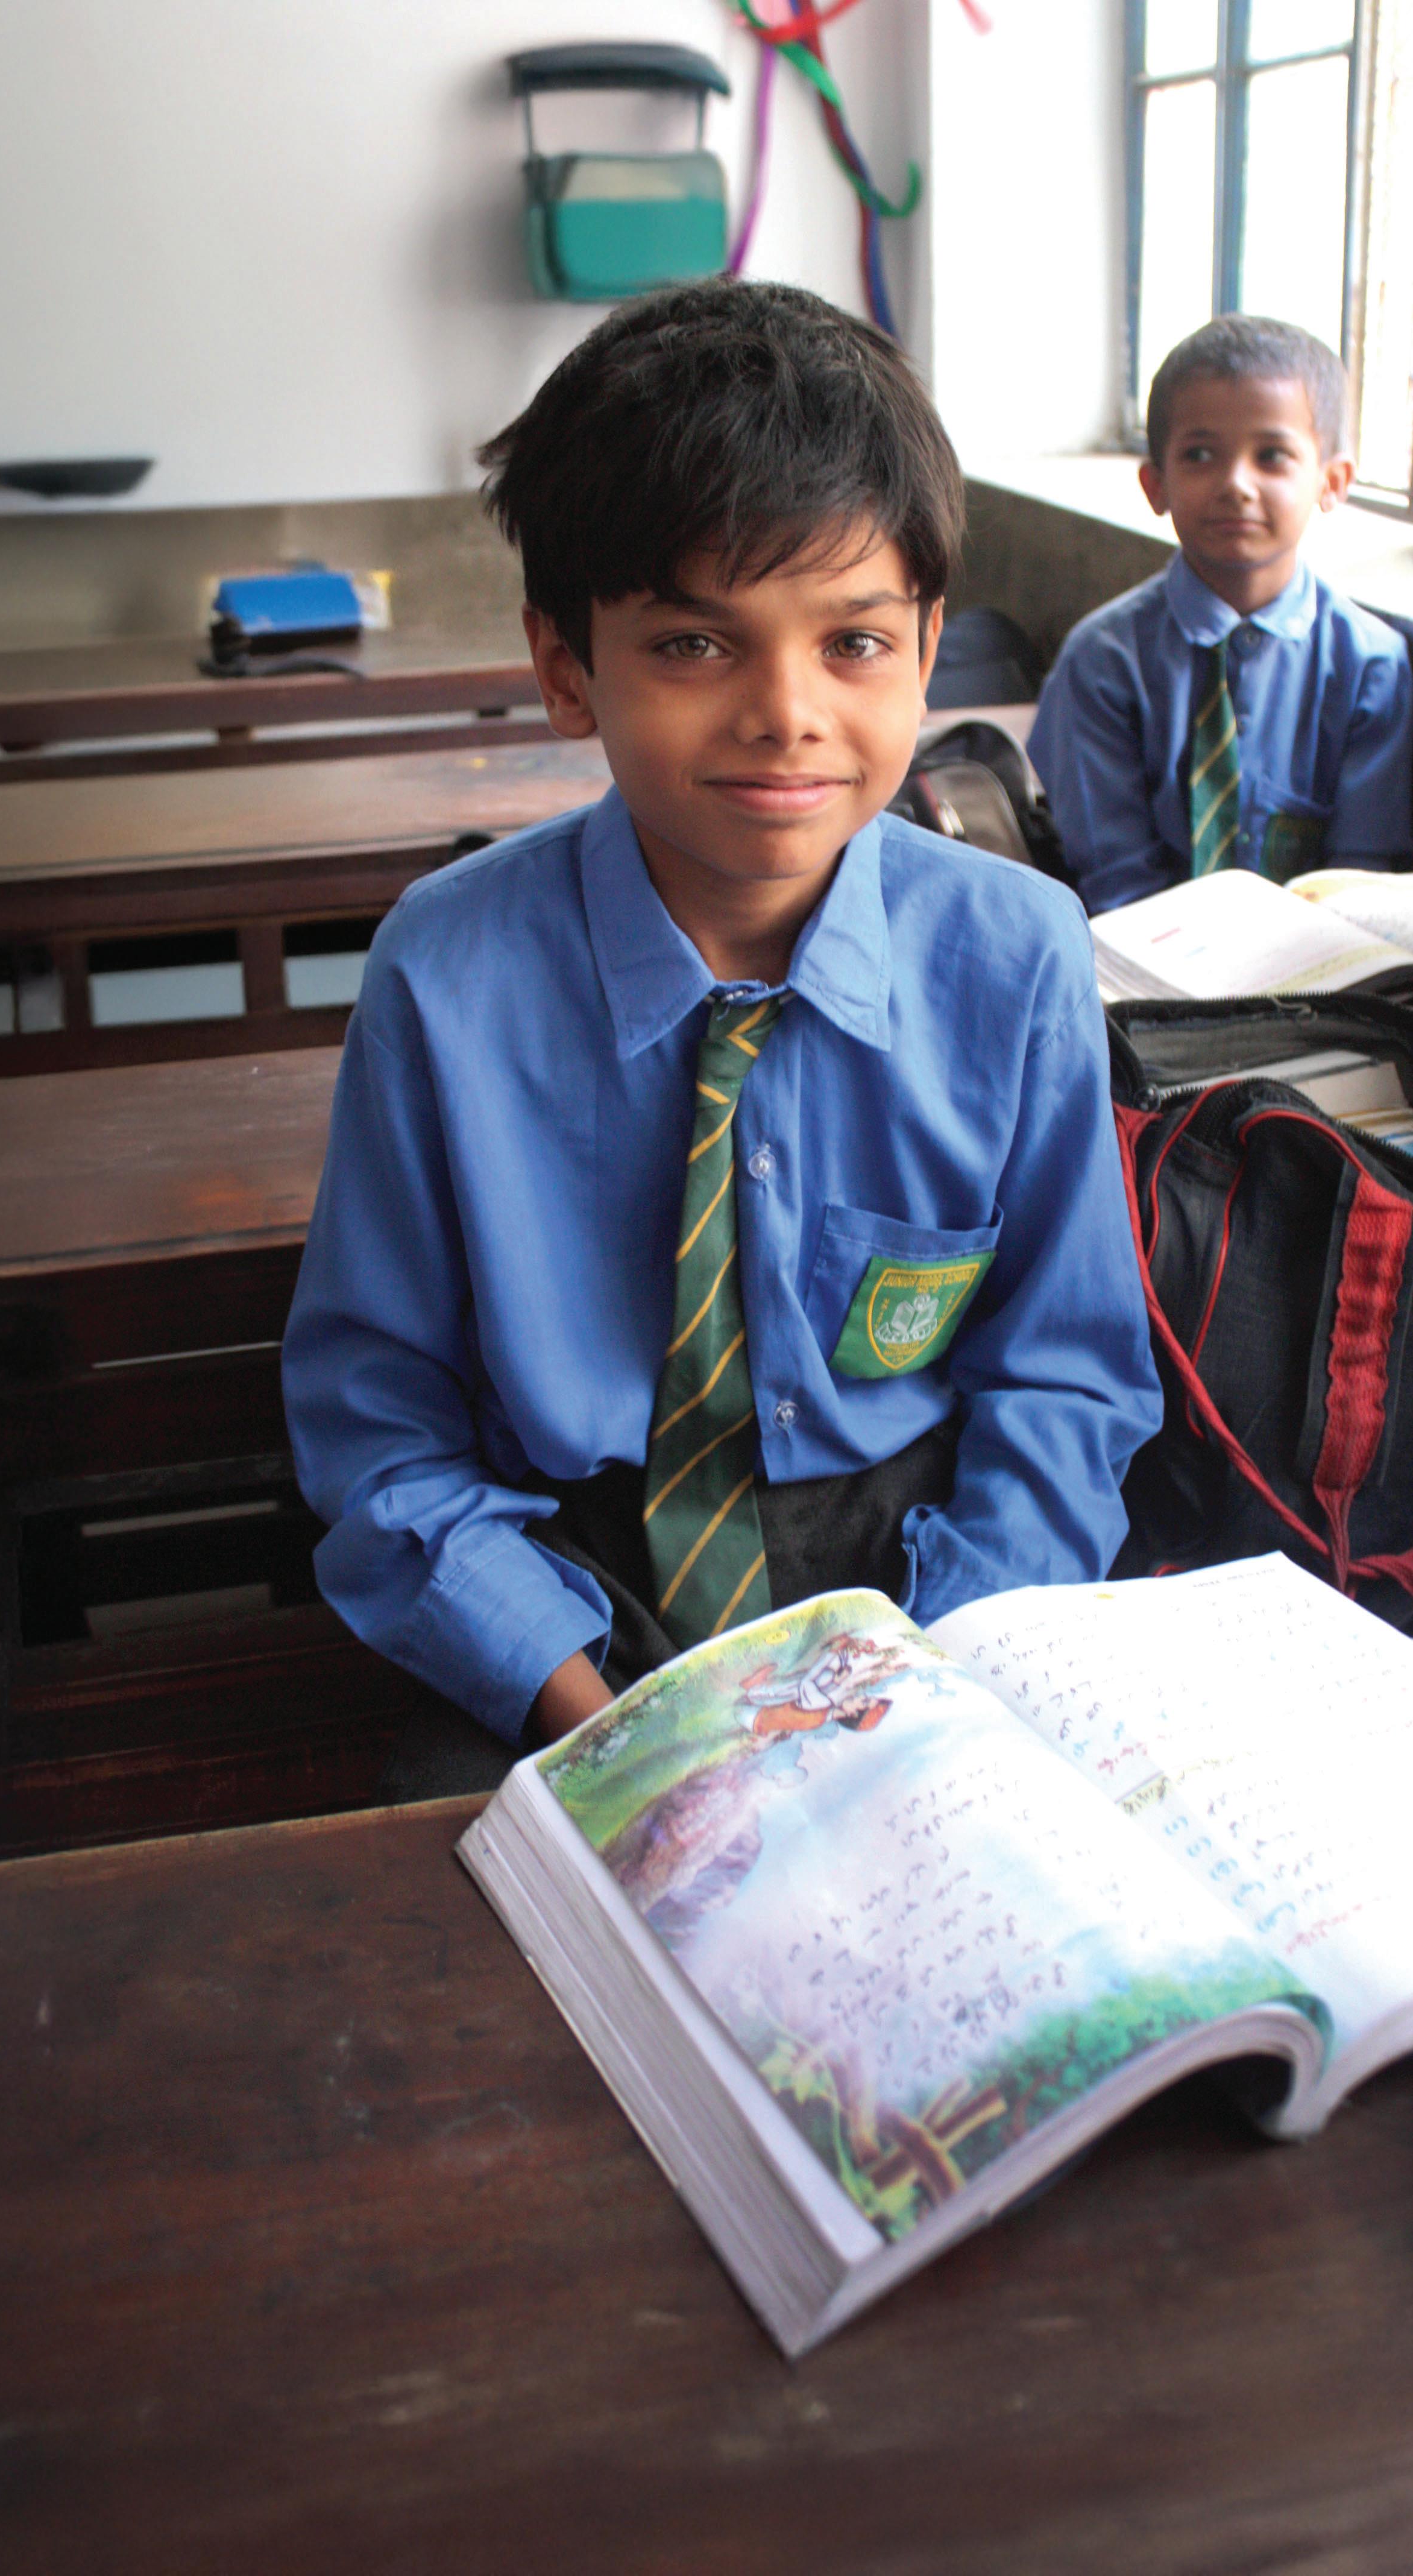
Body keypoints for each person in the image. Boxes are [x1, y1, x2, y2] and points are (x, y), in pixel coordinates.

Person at [282, 279, 1161, 1757]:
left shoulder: (1013, 955)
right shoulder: (446, 974)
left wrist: (933, 1679)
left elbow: (1062, 1380)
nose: (784, 711)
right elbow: (380, 1426)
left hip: (918, 1582)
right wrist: (596, 1717)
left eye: (852, 643)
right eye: (695, 645)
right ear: (566, 667)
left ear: (926, 650)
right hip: (562, 1578)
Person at [1028, 315, 1411, 915]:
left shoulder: (1372, 667)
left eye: (1271, 456)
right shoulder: (1101, 663)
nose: (1236, 484)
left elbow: (1359, 880)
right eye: (1200, 455)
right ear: (1155, 485)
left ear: (1332, 482)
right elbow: (1115, 879)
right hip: (1138, 953)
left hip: (1328, 959)